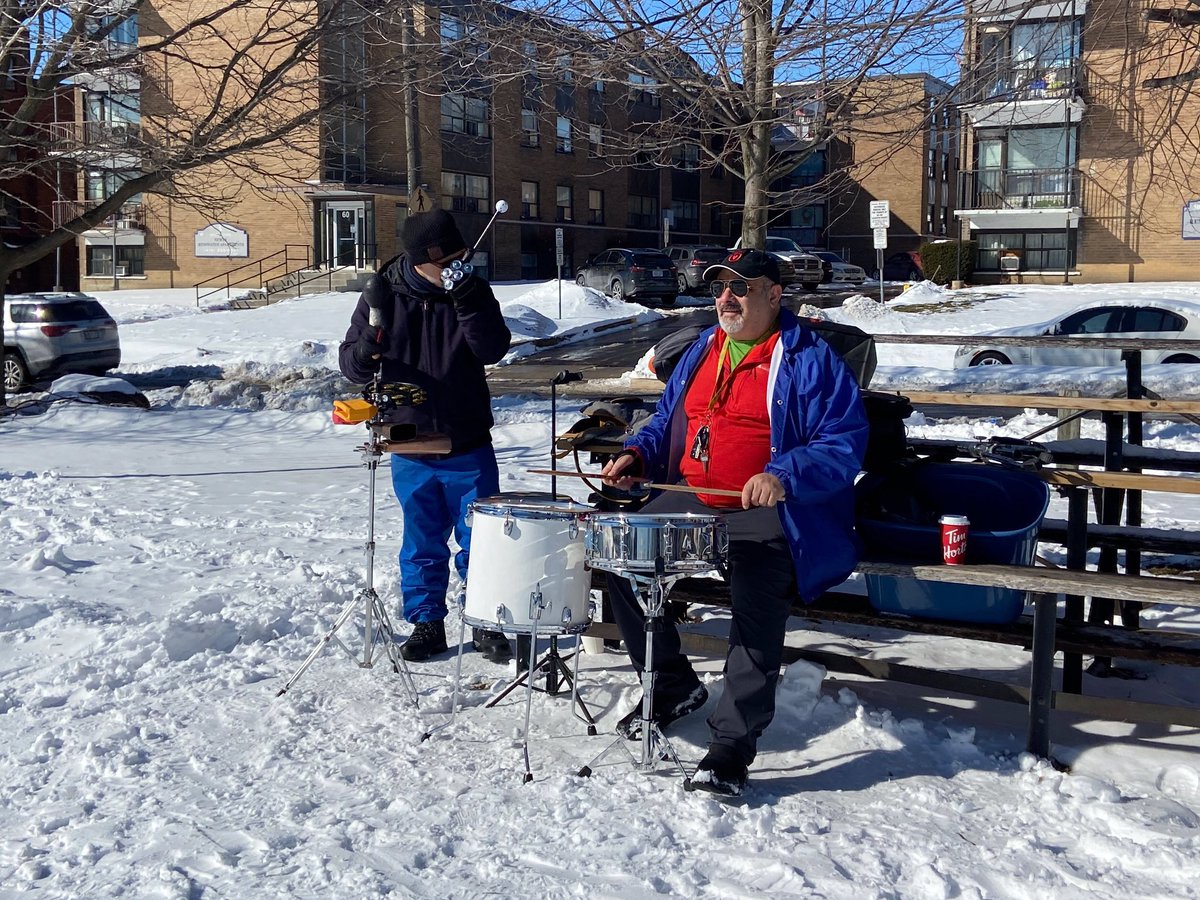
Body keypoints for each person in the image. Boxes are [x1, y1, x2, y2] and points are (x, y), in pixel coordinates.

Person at [600, 248, 868, 797]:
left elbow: (844, 444)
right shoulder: (704, 347)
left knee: (757, 590)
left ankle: (731, 745)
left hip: (771, 511)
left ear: (775, 294)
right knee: (620, 557)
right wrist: (639, 456)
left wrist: (784, 474)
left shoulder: (808, 357)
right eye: (720, 286)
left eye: (741, 287)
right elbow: (669, 423)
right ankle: (672, 686)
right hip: (696, 496)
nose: (726, 297)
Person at [339, 208, 514, 664]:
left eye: (463, 257)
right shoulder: (384, 294)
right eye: (448, 262)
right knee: (421, 539)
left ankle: (483, 620)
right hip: (410, 441)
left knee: (480, 538)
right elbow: (351, 366)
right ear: (420, 261)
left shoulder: (471, 290)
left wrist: (469, 300)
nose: (459, 267)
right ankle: (426, 622)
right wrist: (365, 349)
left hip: (467, 440)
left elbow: (492, 348)